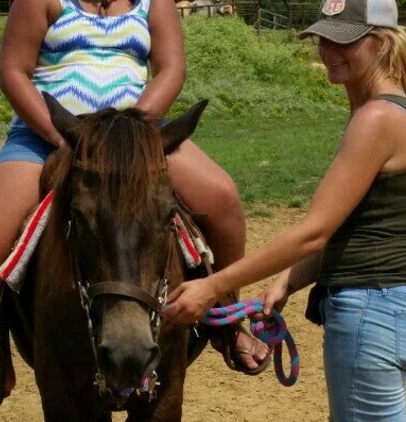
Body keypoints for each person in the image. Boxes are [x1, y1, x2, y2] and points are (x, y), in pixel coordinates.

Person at [0, 0, 269, 414]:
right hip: (48, 134)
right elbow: (13, 72)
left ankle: (227, 320)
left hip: (136, 136)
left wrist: (129, 135)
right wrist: (65, 137)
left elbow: (171, 69)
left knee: (223, 199)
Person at [164, 0, 406, 420]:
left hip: (371, 314)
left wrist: (211, 287)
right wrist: (288, 281)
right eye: (323, 38)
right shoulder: (397, 111)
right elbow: (358, 224)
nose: (329, 50)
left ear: (382, 44)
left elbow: (314, 231)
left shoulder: (374, 121)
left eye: (344, 40)